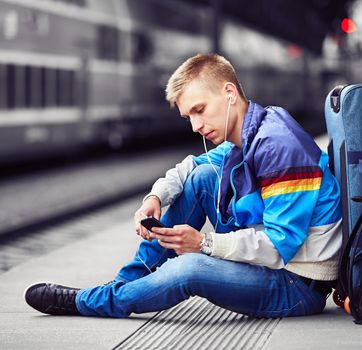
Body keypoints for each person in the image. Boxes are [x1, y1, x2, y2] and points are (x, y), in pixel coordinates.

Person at [25, 53, 342, 318]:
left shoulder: (278, 147)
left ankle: (94, 302)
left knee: (190, 269)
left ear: (229, 93)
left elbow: (277, 248)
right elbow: (191, 166)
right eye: (188, 116)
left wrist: (204, 244)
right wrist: (155, 196)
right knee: (202, 179)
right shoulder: (253, 128)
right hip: (277, 259)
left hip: (296, 283)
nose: (196, 126)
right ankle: (126, 283)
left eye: (200, 110)